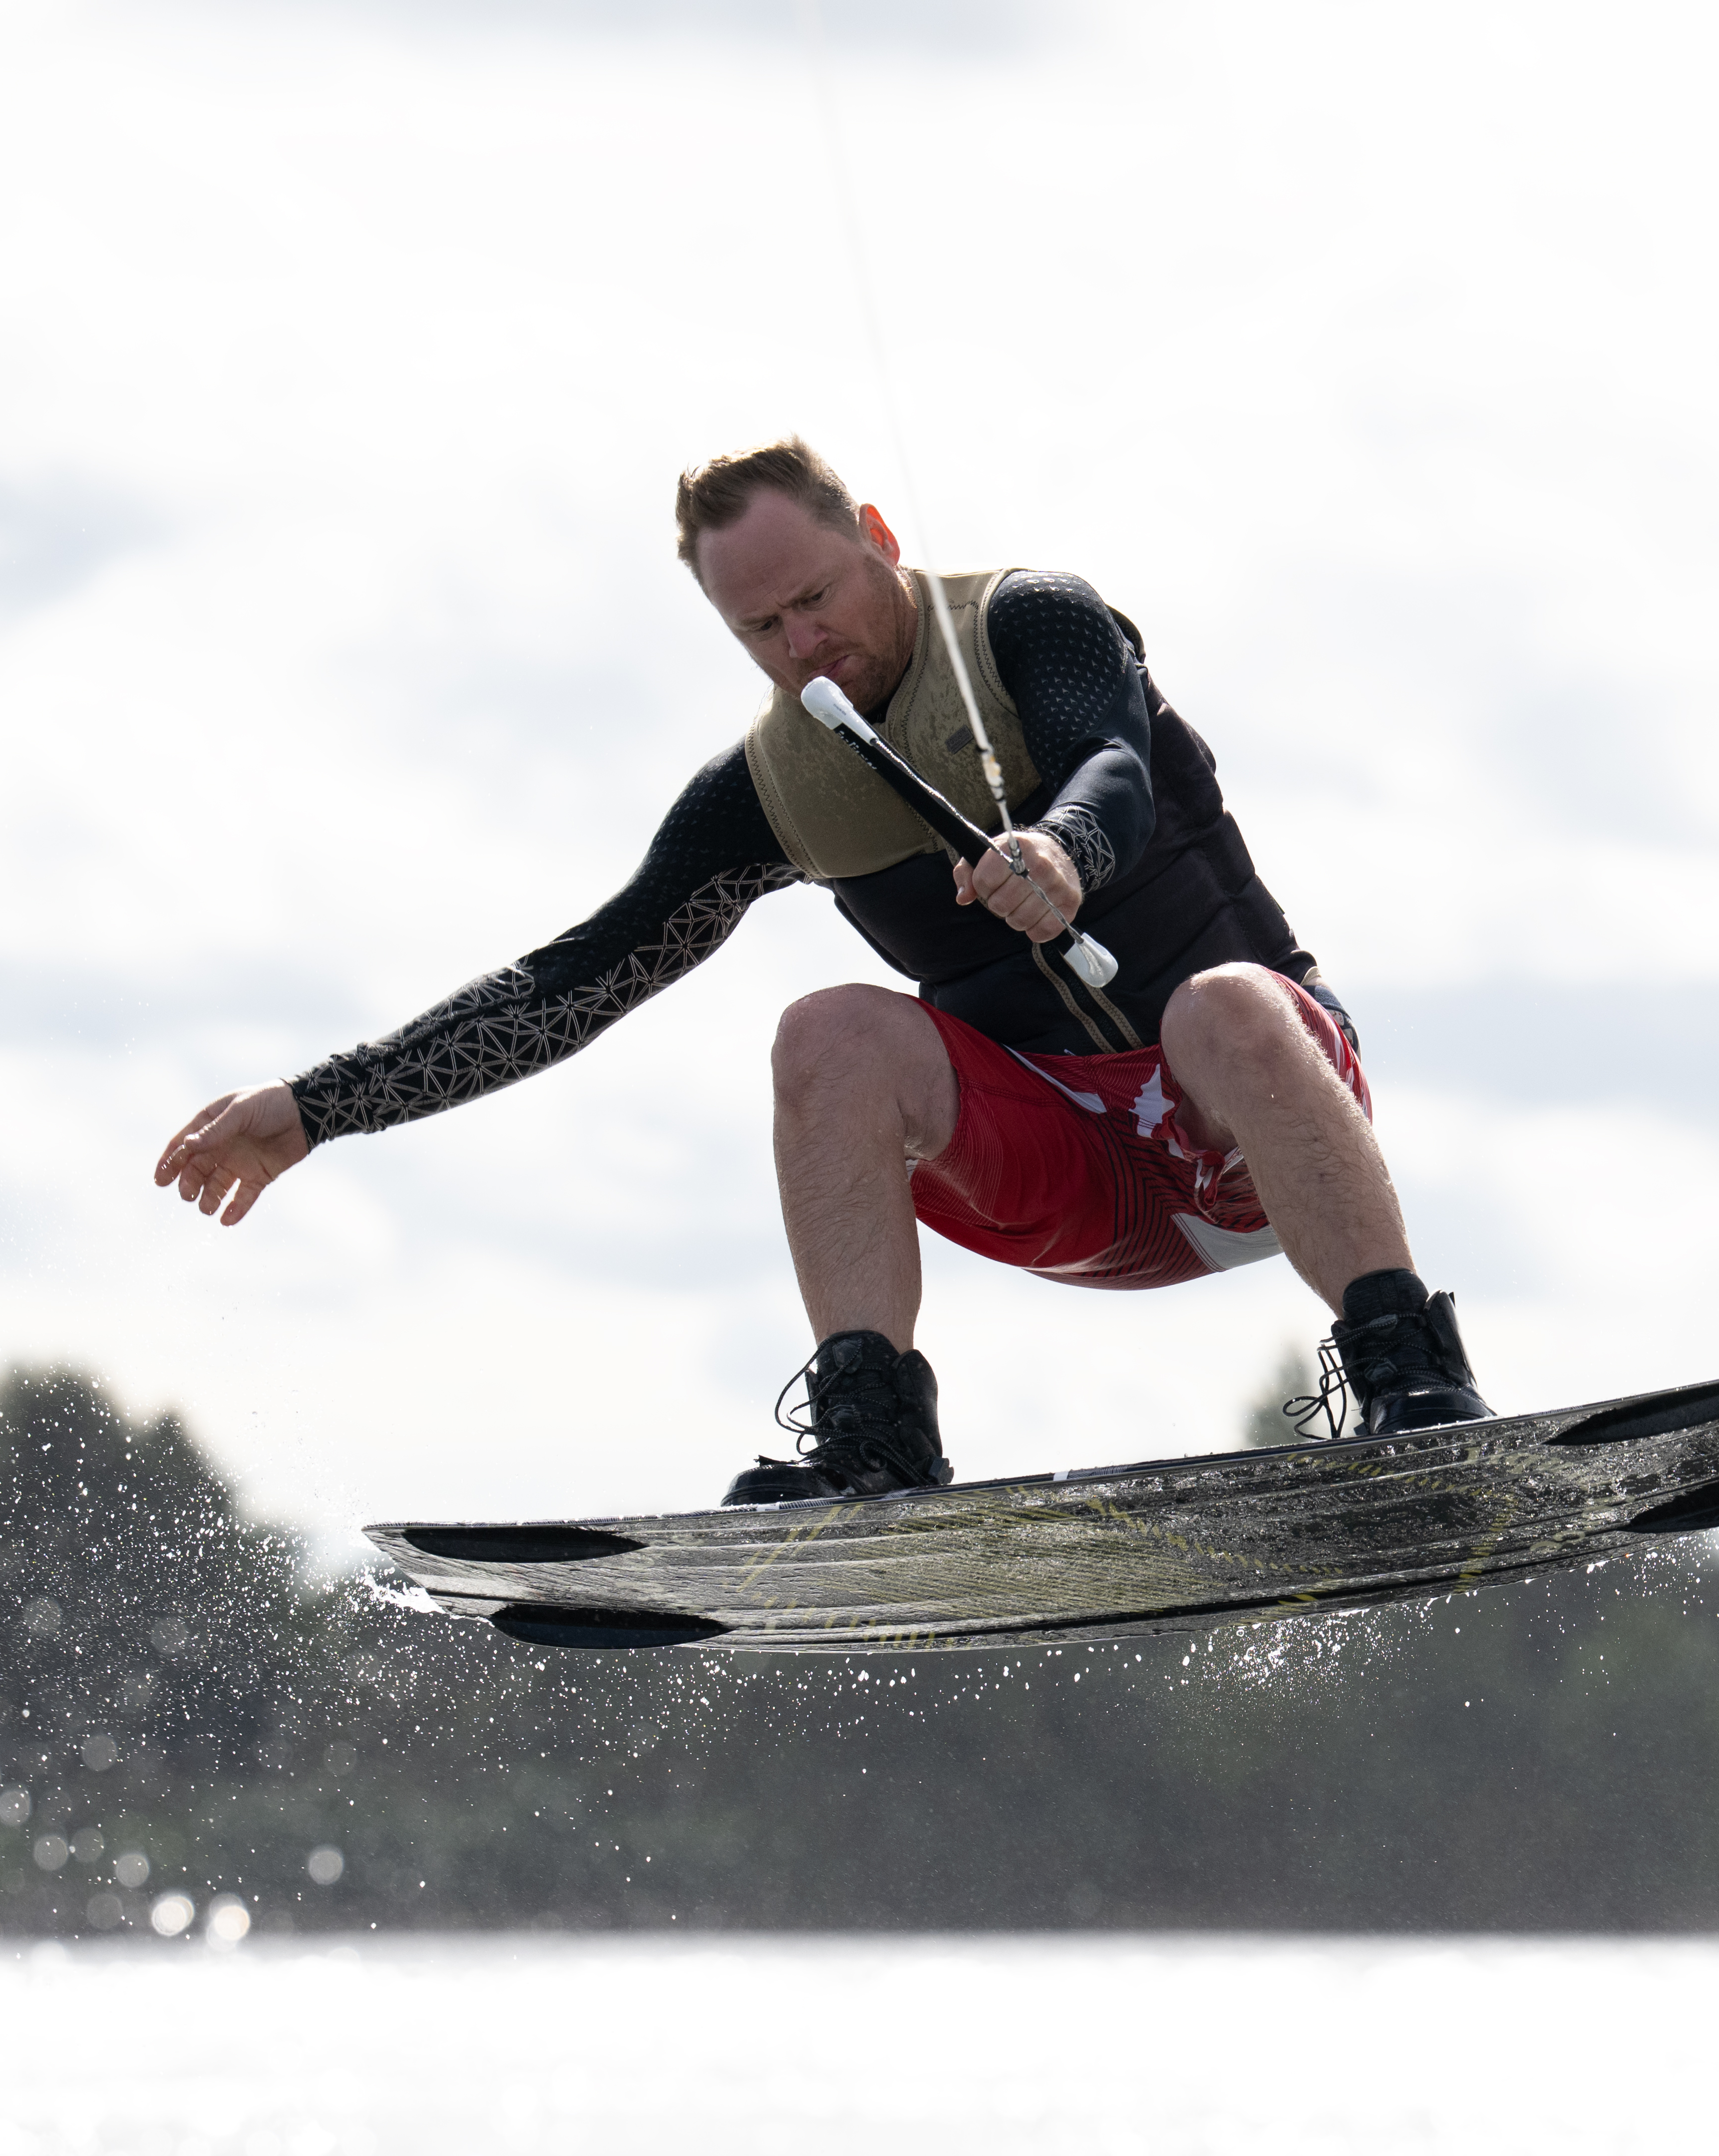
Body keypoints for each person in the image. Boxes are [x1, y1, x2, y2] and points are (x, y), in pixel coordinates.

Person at [153, 438, 1490, 1505]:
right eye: (761, 631)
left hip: (1260, 1126)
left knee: (1227, 1005)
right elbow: (578, 980)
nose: (804, 646)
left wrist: (1064, 852)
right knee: (827, 1033)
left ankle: (1409, 1376)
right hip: (1072, 1174)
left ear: (882, 545)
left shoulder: (1034, 625)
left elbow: (1116, 768)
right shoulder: (767, 793)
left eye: (817, 599)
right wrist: (322, 1105)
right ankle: (871, 1443)